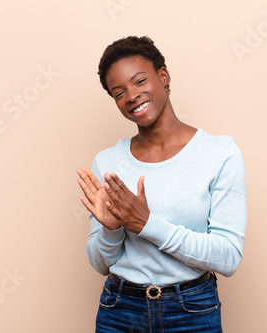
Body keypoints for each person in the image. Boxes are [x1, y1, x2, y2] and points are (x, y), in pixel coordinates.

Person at [76, 36, 247, 333]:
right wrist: (112, 229)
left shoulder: (220, 154)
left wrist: (146, 224)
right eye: (119, 92)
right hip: (119, 310)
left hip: (192, 311)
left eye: (140, 80)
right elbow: (101, 263)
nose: (131, 95)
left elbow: (228, 256)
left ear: (163, 76)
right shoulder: (108, 162)